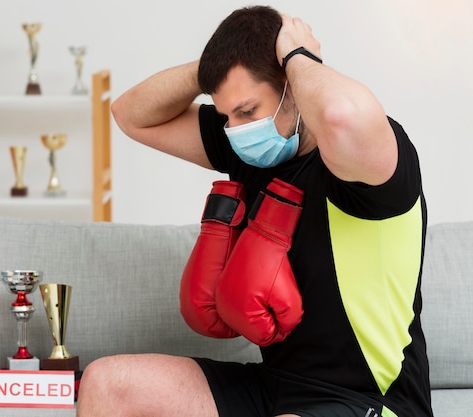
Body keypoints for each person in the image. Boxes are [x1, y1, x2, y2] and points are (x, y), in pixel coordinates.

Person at [77, 5, 433, 417]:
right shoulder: (251, 151)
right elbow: (130, 115)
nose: (238, 129)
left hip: (371, 401)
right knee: (107, 384)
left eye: (248, 111)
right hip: (273, 387)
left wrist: (299, 55)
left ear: (292, 86)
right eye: (228, 116)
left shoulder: (369, 163)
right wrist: (219, 65)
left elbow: (339, 114)